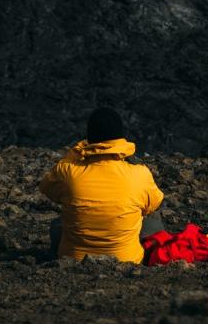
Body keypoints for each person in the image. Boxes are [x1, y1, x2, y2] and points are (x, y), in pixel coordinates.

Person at [39, 107, 164, 263]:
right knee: (151, 215)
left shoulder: (68, 171)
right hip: (127, 261)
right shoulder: (140, 173)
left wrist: (75, 153)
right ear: (120, 138)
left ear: (89, 138)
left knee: (59, 223)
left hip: (73, 259)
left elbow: (46, 187)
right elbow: (155, 203)